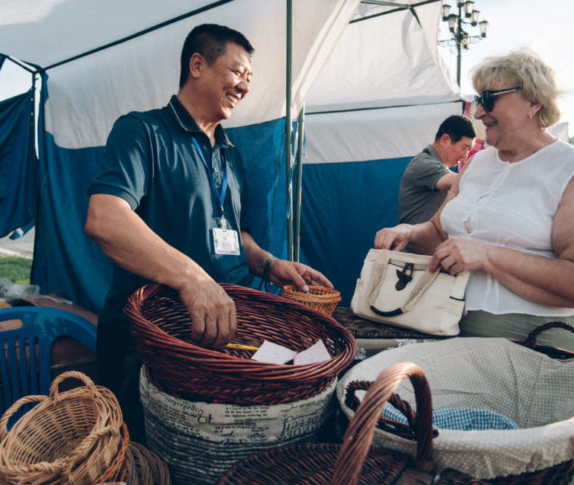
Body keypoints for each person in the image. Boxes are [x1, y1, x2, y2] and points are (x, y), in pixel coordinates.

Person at [84, 24, 332, 439]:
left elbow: (236, 236)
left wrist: (270, 264)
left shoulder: (230, 154)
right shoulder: (142, 131)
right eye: (238, 72)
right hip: (148, 344)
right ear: (197, 65)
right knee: (145, 462)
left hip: (218, 341)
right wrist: (192, 277)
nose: (244, 87)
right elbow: (104, 218)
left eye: (249, 79)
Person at [374, 50, 574, 350]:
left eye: (489, 98)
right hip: (442, 323)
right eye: (479, 100)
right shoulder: (477, 163)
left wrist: (486, 256)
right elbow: (440, 233)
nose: (478, 112)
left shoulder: (566, 168)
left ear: (533, 102)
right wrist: (408, 233)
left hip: (531, 340)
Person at [398, 115, 475, 224]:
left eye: (469, 151)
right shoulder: (424, 164)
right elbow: (459, 180)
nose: (465, 156)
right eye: (464, 148)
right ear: (445, 140)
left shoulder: (437, 165)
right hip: (418, 239)